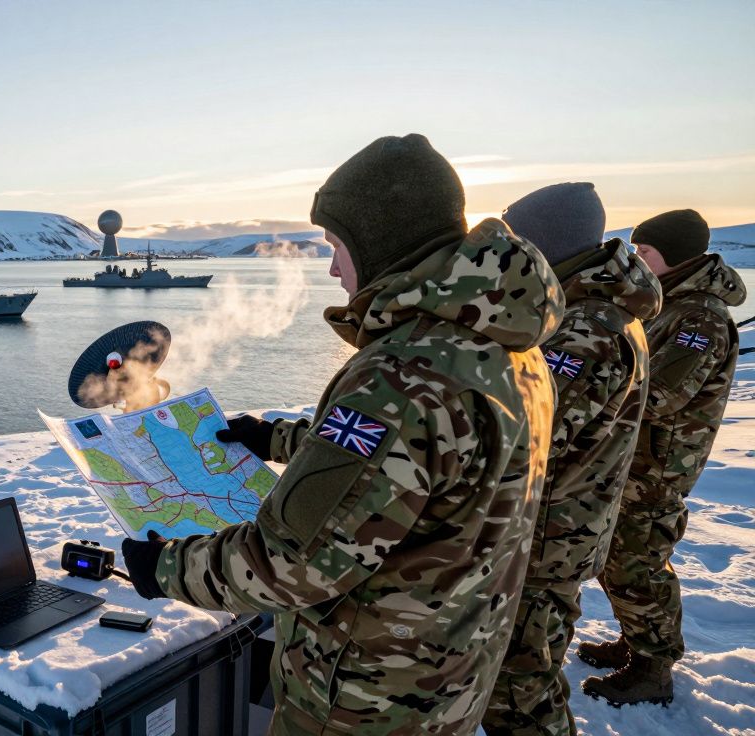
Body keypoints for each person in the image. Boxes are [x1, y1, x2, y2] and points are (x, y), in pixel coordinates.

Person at [121, 134, 564, 735]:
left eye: (337, 245)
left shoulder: (401, 375)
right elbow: (424, 460)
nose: (332, 268)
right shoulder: (509, 346)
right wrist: (275, 439)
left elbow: (292, 563)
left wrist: (164, 568)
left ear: (379, 241)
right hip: (451, 671)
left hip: (366, 697)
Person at [480, 183, 661, 735]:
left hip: (544, 544)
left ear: (544, 246)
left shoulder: (585, 331)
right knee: (524, 681)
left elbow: (519, 436)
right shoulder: (594, 312)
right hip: (555, 532)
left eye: (516, 244)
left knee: (518, 695)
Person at [580, 210, 747, 705]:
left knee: (637, 562)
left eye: (646, 251)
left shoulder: (700, 317)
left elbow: (661, 395)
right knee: (618, 557)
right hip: (636, 456)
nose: (638, 259)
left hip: (659, 465)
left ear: (676, 255)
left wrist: (591, 387)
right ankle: (637, 642)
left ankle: (652, 668)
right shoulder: (668, 302)